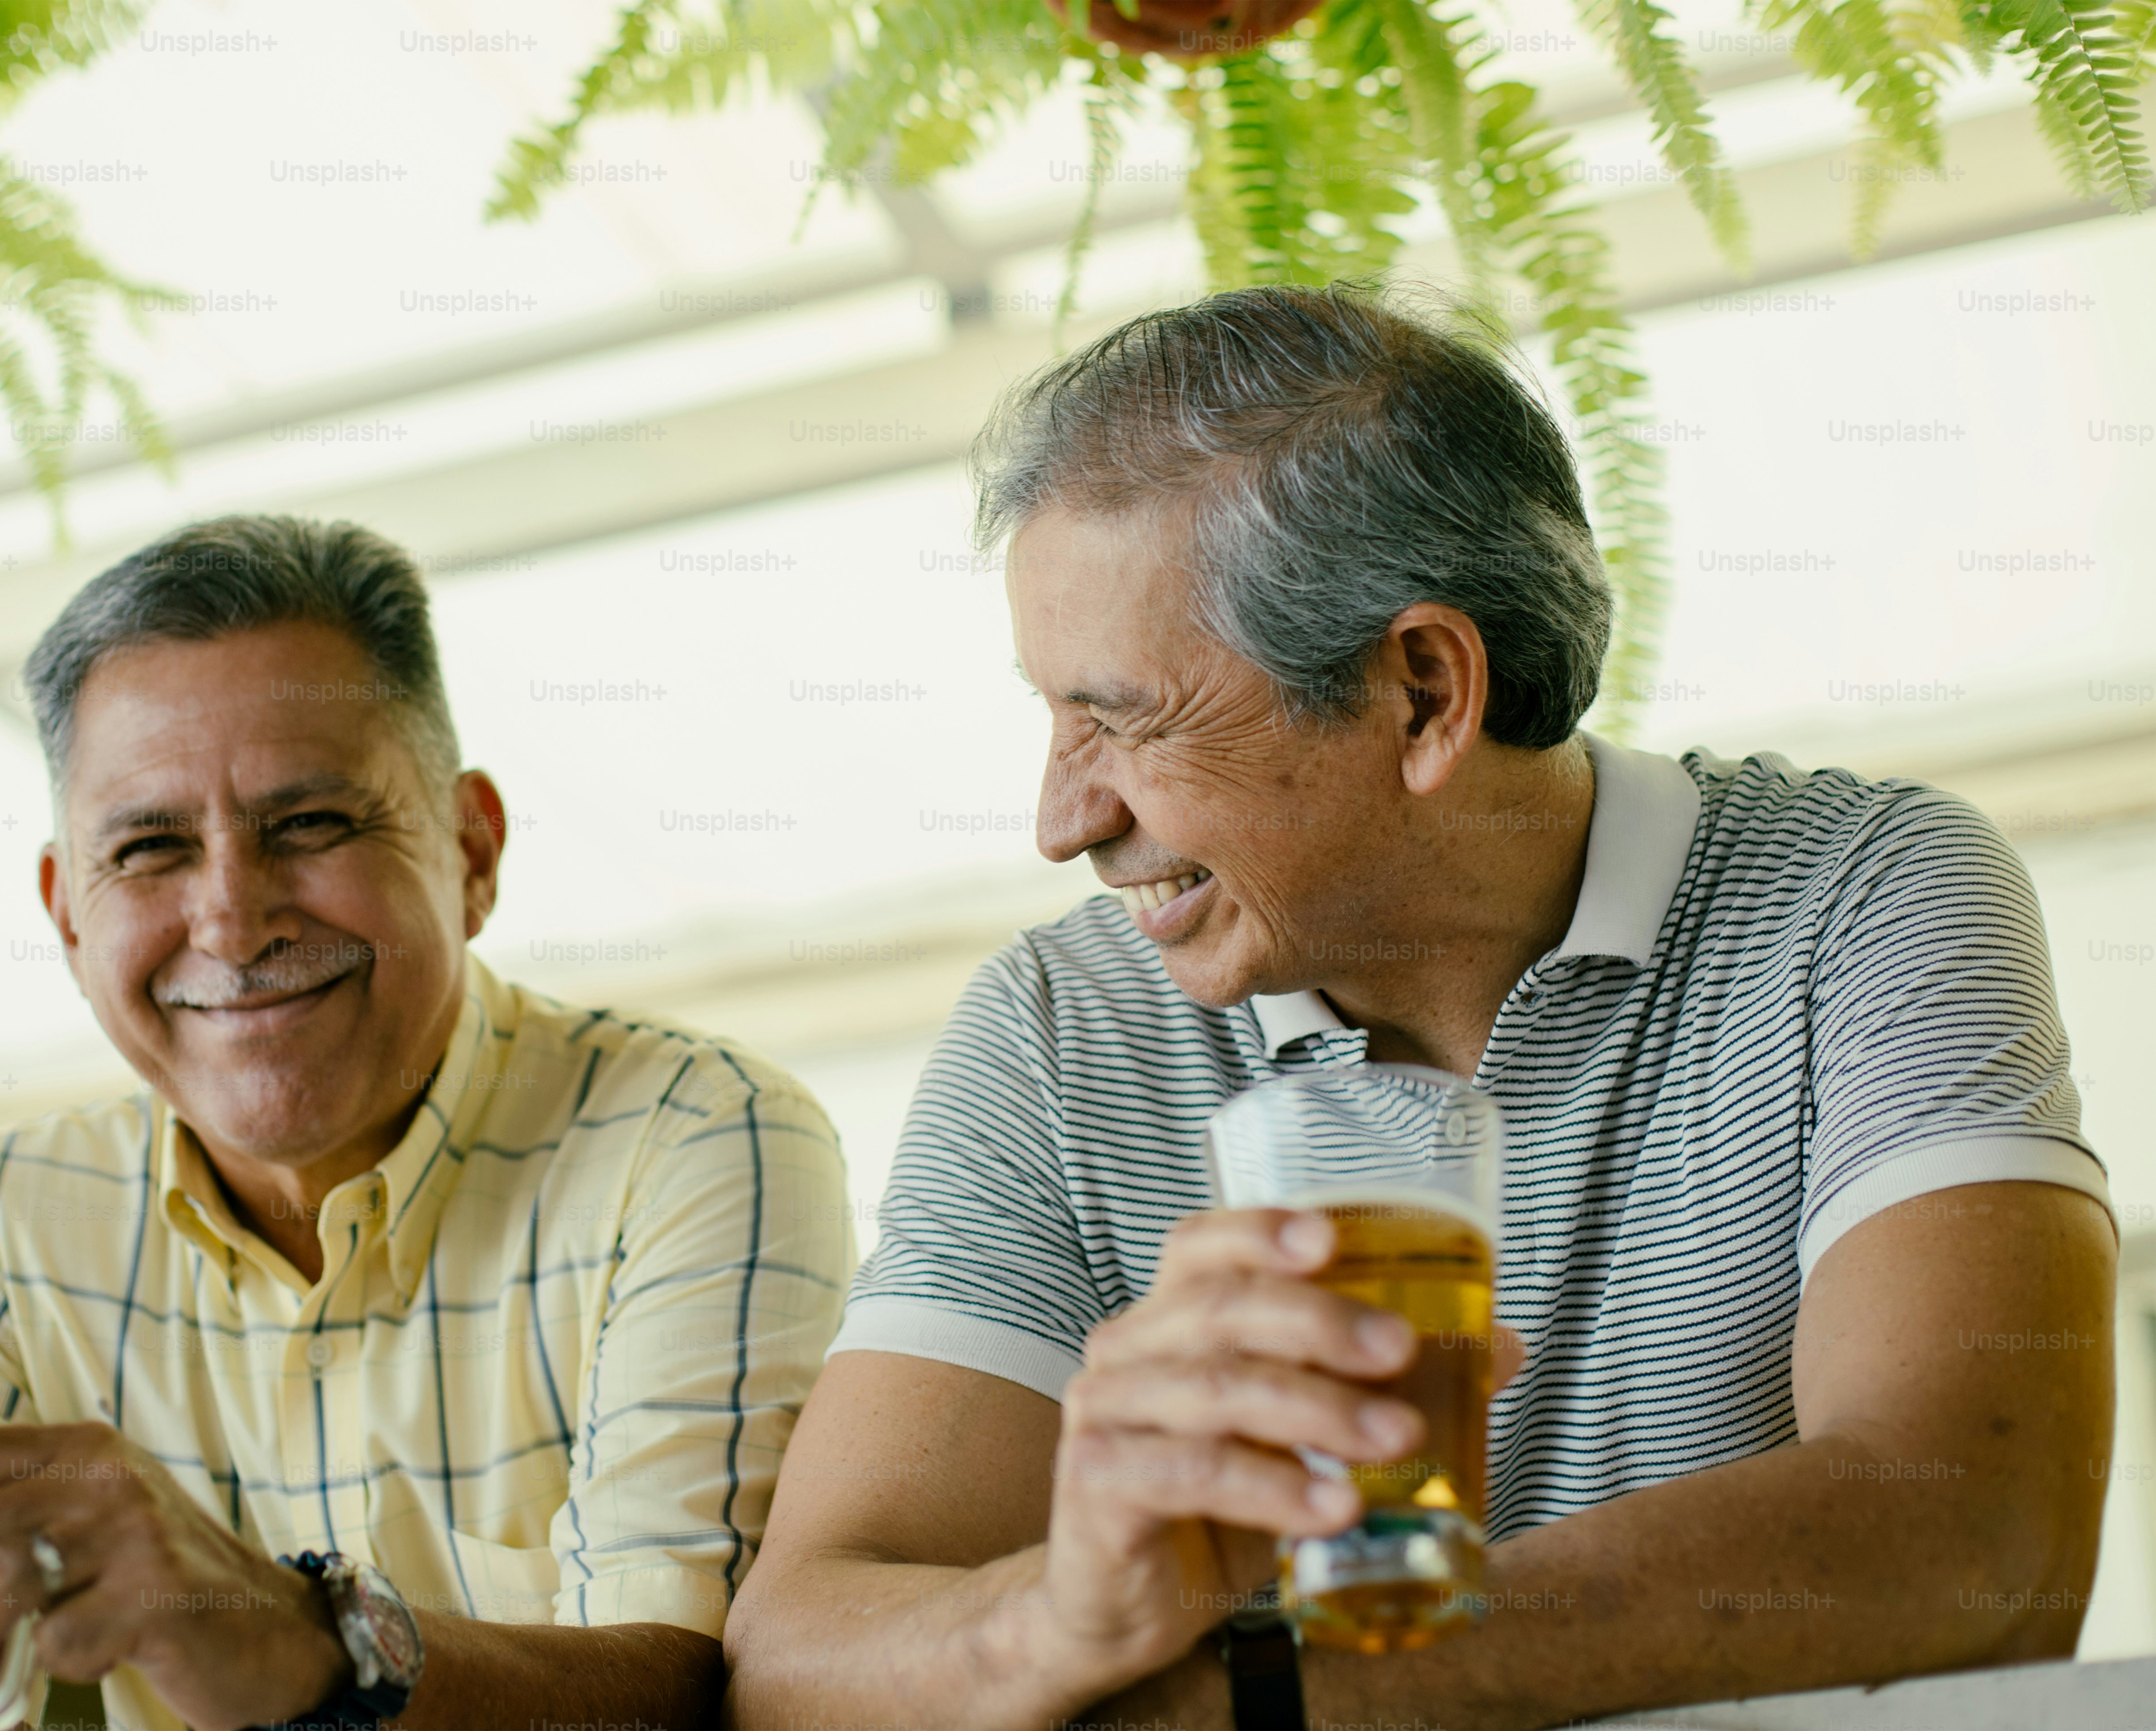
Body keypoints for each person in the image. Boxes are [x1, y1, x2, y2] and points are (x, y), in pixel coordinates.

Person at [724, 284, 2118, 1730]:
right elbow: (795, 1668)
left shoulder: (1854, 894)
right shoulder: (1058, 1029)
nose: (1061, 820)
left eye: (1123, 721)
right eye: (1052, 715)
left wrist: (1246, 1700)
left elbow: (1978, 1542)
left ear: (1424, 692)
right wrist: (1062, 1616)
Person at [0, 516, 855, 1731]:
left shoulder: (690, 1140)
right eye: (150, 848)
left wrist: (297, 1639)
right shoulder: (11, 1226)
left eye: (309, 824)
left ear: (471, 853)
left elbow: (692, 1700)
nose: (232, 922)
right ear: (67, 914)